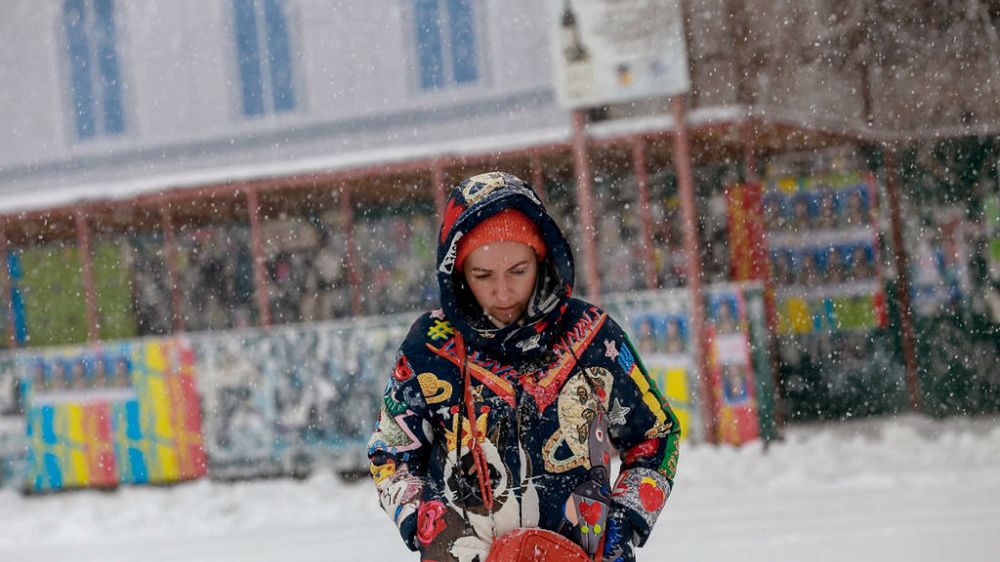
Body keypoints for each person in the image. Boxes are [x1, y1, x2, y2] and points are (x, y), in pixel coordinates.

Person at [368, 172, 681, 562]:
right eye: (482, 275)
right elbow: (391, 451)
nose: (503, 292)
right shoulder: (429, 347)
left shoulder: (592, 336)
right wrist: (422, 519)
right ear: (458, 274)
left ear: (542, 258)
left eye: (518, 270)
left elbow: (656, 435)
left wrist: (624, 520)